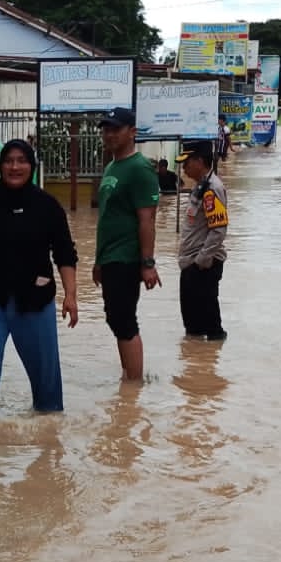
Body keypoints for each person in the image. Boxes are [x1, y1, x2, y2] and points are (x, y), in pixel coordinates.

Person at [0, 139, 79, 419]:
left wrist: (70, 295)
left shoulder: (47, 206)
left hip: (35, 301)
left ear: (32, 166)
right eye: (9, 161)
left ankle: (49, 428)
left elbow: (65, 254)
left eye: (22, 161)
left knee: (45, 376)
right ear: (0, 166)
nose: (15, 167)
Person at [92, 107, 161, 381]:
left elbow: (147, 219)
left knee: (123, 319)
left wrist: (148, 263)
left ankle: (134, 385)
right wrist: (98, 261)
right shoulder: (112, 167)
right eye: (106, 129)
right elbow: (107, 218)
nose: (109, 135)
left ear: (132, 132)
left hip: (127, 257)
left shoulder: (140, 169)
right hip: (110, 258)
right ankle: (128, 377)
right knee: (115, 318)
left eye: (115, 129)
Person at [175, 140, 229, 339]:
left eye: (187, 162)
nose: (184, 168)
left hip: (202, 265)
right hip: (192, 263)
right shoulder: (201, 186)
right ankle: (196, 357)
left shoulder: (211, 188)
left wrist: (202, 261)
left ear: (199, 161)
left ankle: (210, 357)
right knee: (193, 329)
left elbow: (218, 230)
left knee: (211, 329)